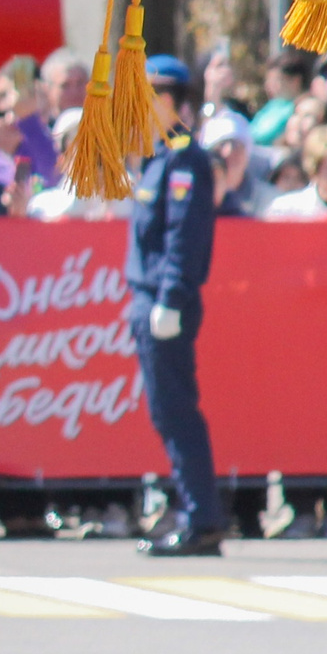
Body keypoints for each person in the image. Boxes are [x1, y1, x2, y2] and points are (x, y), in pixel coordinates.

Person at [128, 62, 225, 557]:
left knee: (176, 412)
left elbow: (182, 239)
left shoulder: (185, 159)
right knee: (167, 412)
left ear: (171, 101)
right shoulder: (158, 156)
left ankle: (201, 518)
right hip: (148, 300)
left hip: (166, 302)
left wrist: (170, 297)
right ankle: (195, 511)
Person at [200, 110, 273, 218]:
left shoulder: (270, 201)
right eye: (221, 144)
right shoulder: (191, 198)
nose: (229, 152)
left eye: (237, 145)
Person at [250, 48, 316, 147]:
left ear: (295, 81)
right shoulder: (273, 106)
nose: (269, 86)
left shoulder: (307, 108)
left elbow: (262, 136)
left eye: (276, 80)